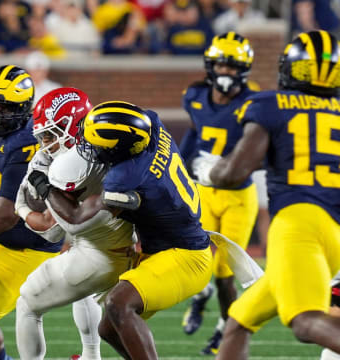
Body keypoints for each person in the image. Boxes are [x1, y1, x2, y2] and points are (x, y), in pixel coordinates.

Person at [190, 29, 340, 359]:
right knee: (240, 319)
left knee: (304, 321)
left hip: (299, 224)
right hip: (334, 231)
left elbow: (233, 174)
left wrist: (207, 170)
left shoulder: (271, 105)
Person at [26, 100, 214, 360]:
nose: (86, 146)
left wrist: (43, 183)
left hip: (184, 257)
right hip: (169, 244)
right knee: (109, 329)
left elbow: (75, 218)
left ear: (118, 152)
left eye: (94, 145)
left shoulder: (125, 178)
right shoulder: (153, 127)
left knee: (118, 304)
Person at [179, 31, 259, 355]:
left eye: (233, 66)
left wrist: (228, 165)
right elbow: (195, 131)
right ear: (210, 66)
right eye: (221, 66)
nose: (226, 72)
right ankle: (201, 296)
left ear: (244, 69)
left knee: (225, 273)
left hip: (237, 195)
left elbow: (258, 152)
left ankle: (226, 329)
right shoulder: (195, 96)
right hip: (204, 192)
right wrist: (182, 166)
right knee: (194, 257)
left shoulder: (253, 104)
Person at [0, 65, 63, 360]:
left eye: (5, 107)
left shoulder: (26, 141)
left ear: (24, 109)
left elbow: (6, 216)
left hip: (24, 246)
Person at [15, 87, 105, 360]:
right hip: (116, 246)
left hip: (107, 251)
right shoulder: (101, 149)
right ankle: (91, 355)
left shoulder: (76, 164)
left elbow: (52, 230)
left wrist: (23, 208)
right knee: (84, 288)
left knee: (27, 304)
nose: (46, 142)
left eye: (51, 134)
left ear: (75, 127)